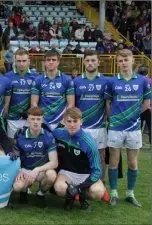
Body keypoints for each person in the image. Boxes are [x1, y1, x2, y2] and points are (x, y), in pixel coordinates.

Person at [105, 49, 150, 207]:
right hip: (116, 127)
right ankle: (114, 193)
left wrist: (132, 116)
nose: (124, 63)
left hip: (134, 128)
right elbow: (108, 104)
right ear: (117, 63)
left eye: (126, 60)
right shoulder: (112, 81)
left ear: (132, 61)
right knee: (114, 162)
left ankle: (130, 194)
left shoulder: (142, 81)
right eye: (121, 61)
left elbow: (146, 104)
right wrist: (115, 119)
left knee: (132, 163)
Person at [53, 107, 107, 211]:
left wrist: (80, 187)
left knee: (98, 192)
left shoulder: (88, 142)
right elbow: (45, 135)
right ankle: (70, 198)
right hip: (67, 173)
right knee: (59, 188)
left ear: (81, 122)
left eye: (75, 121)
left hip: (85, 174)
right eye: (69, 121)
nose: (72, 124)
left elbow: (97, 170)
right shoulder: (58, 133)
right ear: (64, 122)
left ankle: (83, 197)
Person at [73, 50, 109, 182]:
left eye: (93, 60)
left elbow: (108, 104)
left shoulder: (106, 81)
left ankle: (101, 182)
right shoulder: (76, 81)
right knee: (79, 155)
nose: (90, 63)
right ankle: (78, 182)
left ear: (98, 62)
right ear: (84, 62)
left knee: (100, 156)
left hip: (99, 126)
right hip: (80, 127)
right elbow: (73, 105)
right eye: (87, 60)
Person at [12, 107, 58, 208]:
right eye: (32, 119)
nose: (35, 122)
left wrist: (37, 169)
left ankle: (40, 194)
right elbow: (15, 157)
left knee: (51, 175)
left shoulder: (48, 136)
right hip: (25, 170)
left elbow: (54, 162)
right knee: (17, 187)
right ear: (28, 120)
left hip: (41, 171)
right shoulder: (20, 135)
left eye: (38, 119)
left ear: (42, 120)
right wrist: (19, 170)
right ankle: (23, 191)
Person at [31, 50, 75, 130]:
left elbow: (71, 104)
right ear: (44, 62)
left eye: (54, 60)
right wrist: (40, 119)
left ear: (58, 62)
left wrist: (64, 121)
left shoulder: (67, 80)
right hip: (43, 121)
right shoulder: (38, 80)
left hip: (61, 121)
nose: (51, 62)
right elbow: (34, 104)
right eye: (48, 60)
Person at [4, 49, 37, 151]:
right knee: (12, 145)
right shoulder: (7, 77)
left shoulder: (36, 77)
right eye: (19, 61)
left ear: (29, 61)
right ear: (14, 61)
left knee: (29, 143)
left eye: (24, 61)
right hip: (12, 117)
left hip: (29, 117)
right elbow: (6, 101)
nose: (21, 64)